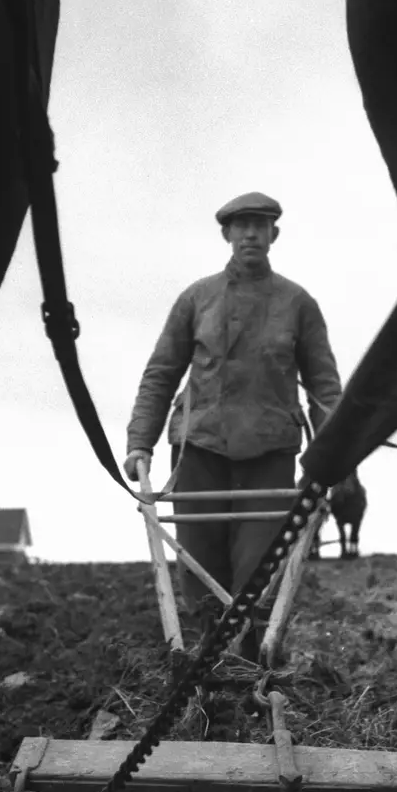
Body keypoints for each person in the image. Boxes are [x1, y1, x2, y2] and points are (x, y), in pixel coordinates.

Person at [125, 191, 342, 660]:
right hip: (199, 450)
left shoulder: (297, 303)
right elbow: (161, 372)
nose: (250, 234)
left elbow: (324, 387)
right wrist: (139, 442)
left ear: (273, 235)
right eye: (241, 225)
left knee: (258, 571)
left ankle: (251, 667)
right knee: (198, 570)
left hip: (268, 455)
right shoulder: (197, 298)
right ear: (226, 233)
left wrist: (335, 452)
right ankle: (205, 668)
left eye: (260, 226)